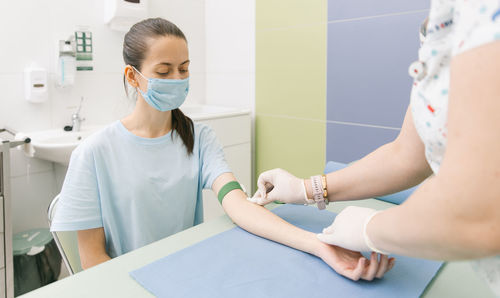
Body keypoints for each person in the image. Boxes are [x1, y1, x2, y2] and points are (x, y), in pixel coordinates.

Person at [50, 18, 393, 281]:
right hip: (129, 283)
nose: (177, 79)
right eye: (163, 71)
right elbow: (93, 260)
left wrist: (320, 246)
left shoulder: (199, 139)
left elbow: (239, 207)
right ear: (133, 76)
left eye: (183, 69)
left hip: (186, 273)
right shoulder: (94, 153)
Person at [250, 0, 500, 293]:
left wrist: (372, 230)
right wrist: (306, 189)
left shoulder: (484, 14)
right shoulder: (448, 18)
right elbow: (407, 155)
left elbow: (480, 210)